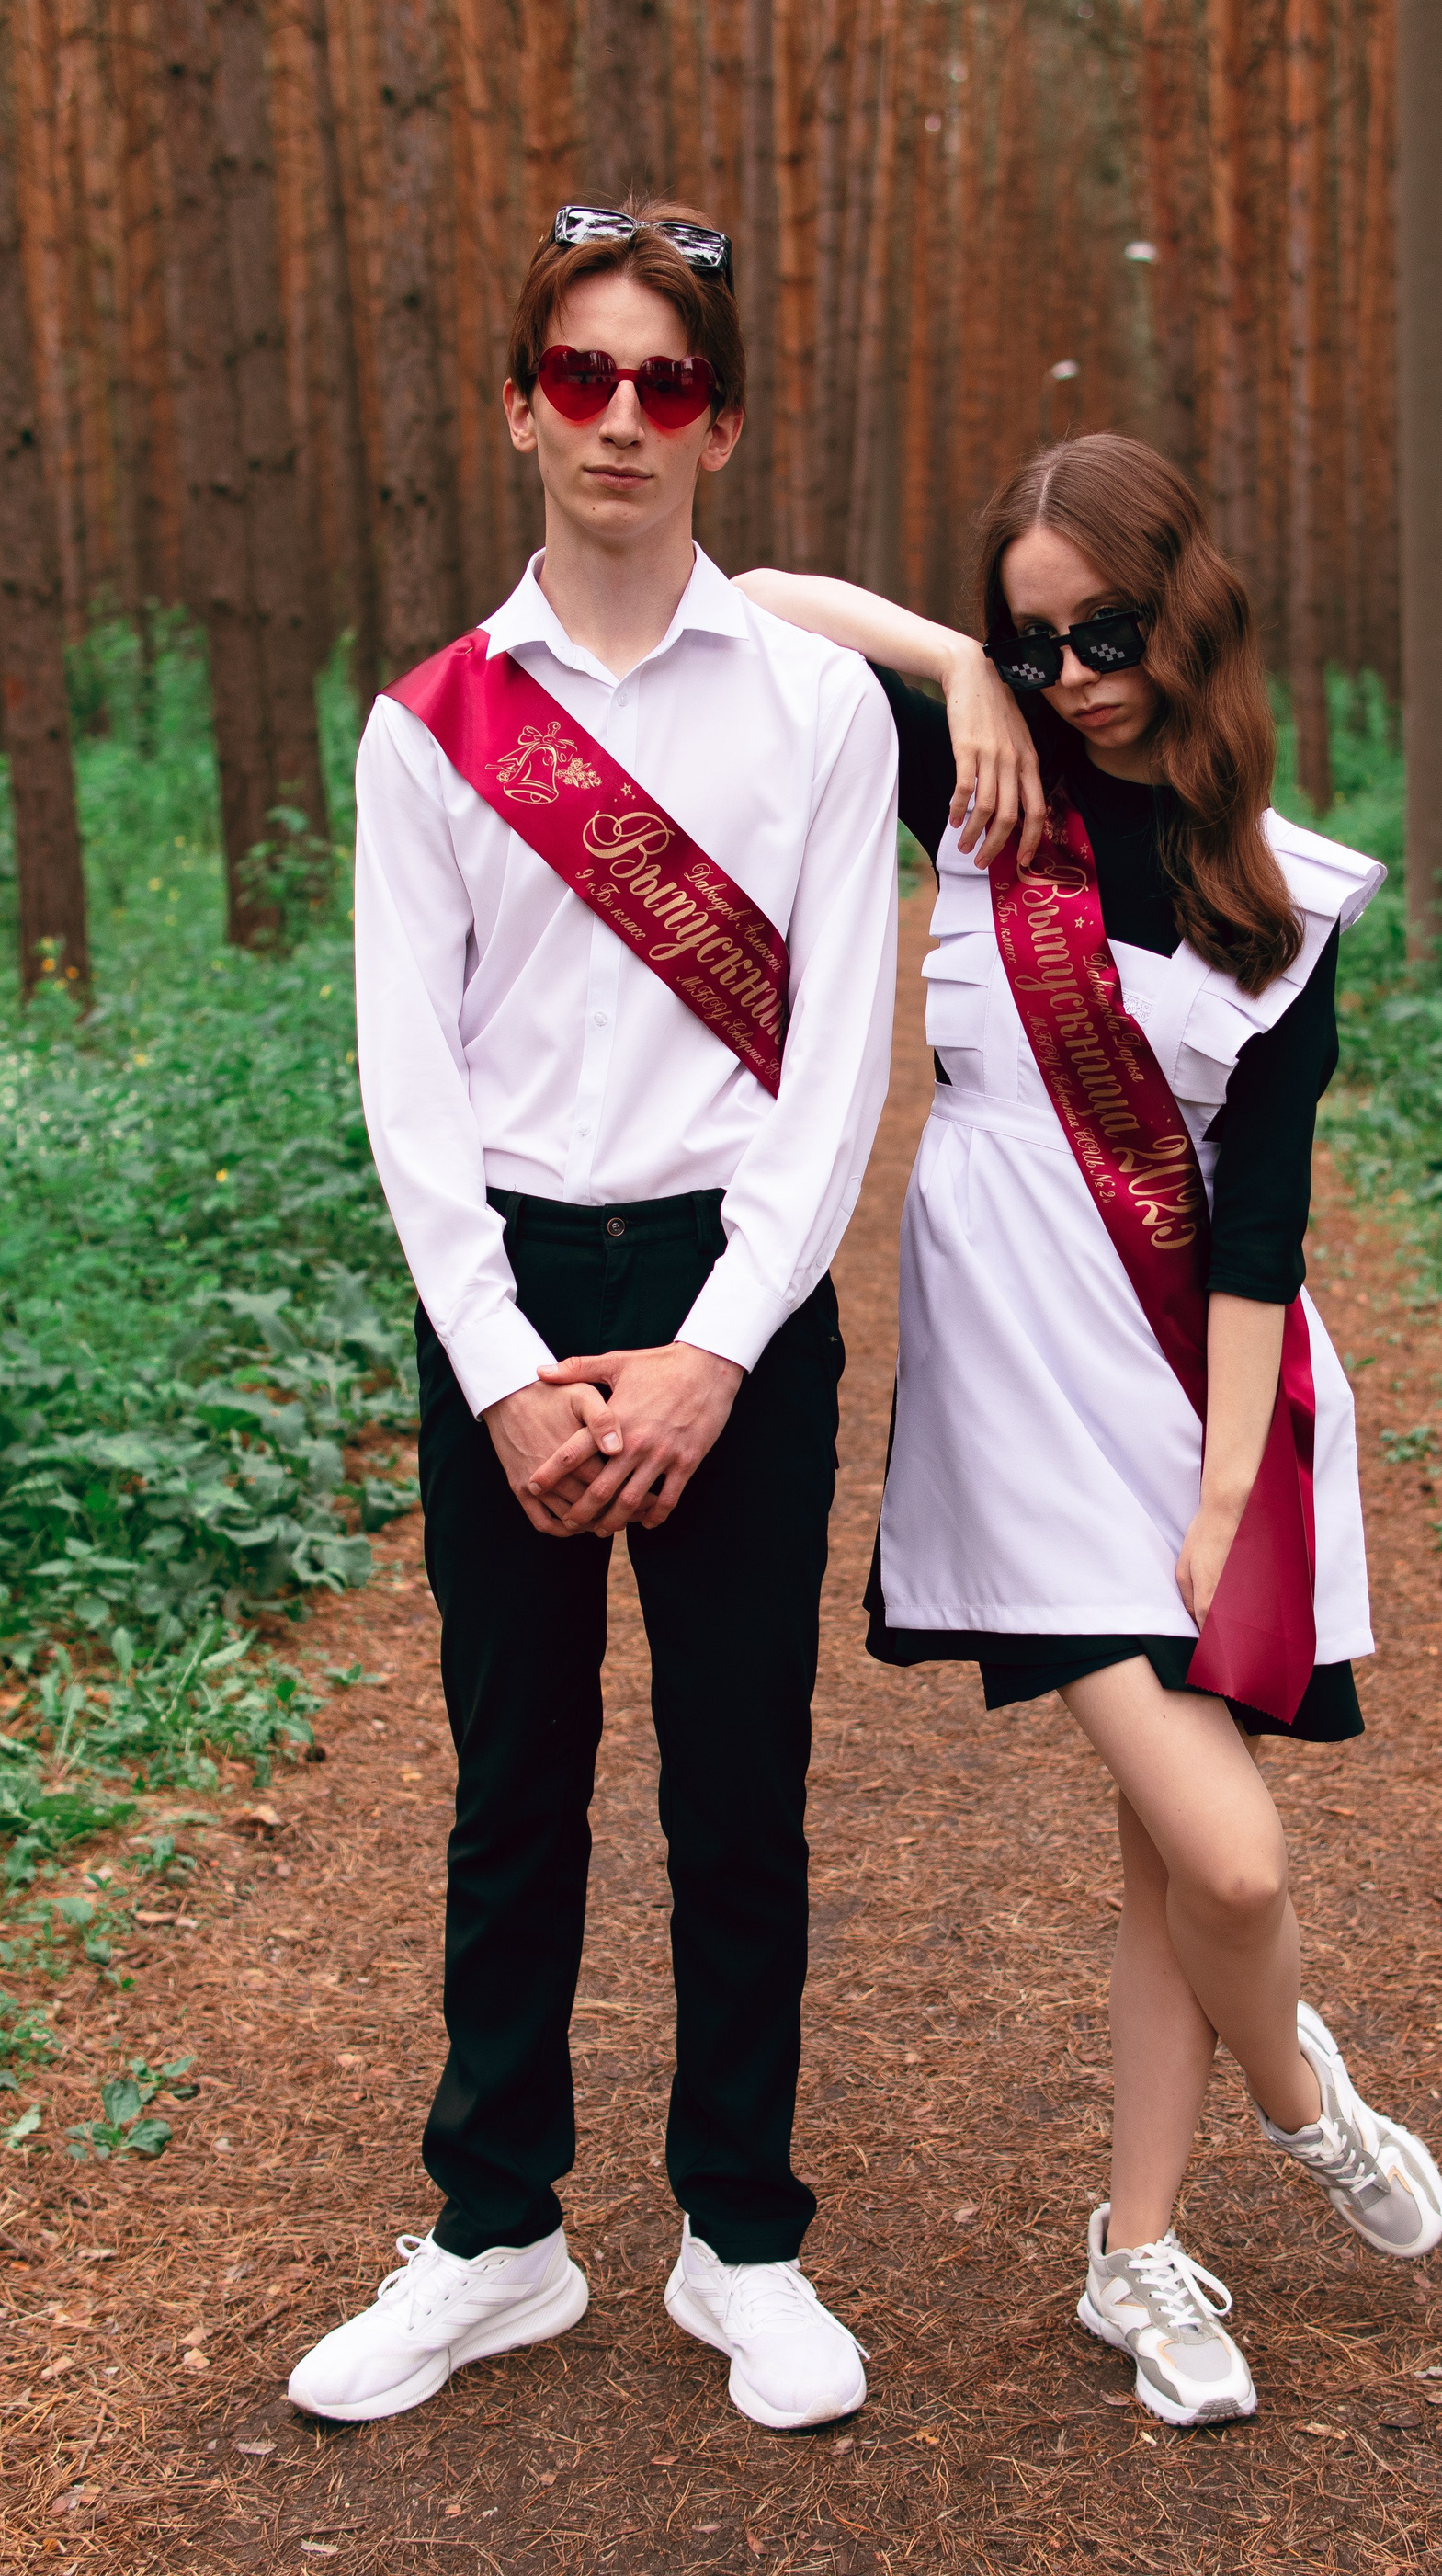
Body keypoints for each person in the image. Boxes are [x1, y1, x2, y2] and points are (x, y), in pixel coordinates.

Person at [736, 430, 1442, 2430]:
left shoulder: (1282, 896)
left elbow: (1264, 1221)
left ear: (1188, 611)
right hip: (1013, 1405)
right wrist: (956, 671)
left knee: (1176, 1869)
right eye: (1035, 640)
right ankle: (1307, 2109)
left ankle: (1137, 2253)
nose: (1075, 677)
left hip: (1197, 1396)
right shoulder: (981, 783)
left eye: (1105, 634)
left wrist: (1226, 1494)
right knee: (1236, 1862)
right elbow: (756, 600)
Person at [288, 201, 901, 2433]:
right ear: (522, 410)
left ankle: (744, 2239)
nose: (620, 417)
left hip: (736, 1289)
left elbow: (840, 1064)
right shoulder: (428, 728)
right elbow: (410, 1080)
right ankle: (497, 2234)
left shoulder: (820, 708)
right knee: (512, 1786)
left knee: (740, 1788)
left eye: (666, 381)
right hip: (515, 1301)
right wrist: (500, 1369)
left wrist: (721, 1347)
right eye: (582, 375)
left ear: (718, 424)